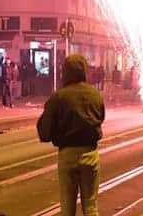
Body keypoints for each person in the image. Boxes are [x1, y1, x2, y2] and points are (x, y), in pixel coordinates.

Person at [37, 54, 104, 216]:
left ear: (65, 72)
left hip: (67, 154)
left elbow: (44, 131)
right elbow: (100, 117)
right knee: (91, 205)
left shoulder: (59, 97)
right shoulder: (95, 95)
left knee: (67, 206)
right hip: (90, 154)